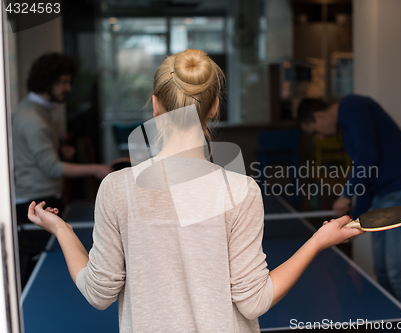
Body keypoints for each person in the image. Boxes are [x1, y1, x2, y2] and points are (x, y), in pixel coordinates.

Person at [27, 49, 364, 333]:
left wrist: (61, 229)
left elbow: (98, 293)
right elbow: (254, 302)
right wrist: (319, 240)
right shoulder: (241, 191)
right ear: (214, 106)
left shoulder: (116, 188)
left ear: (156, 106)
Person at [298, 95, 401, 332]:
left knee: (397, 273)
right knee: (383, 273)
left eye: (315, 130)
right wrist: (352, 221)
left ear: (319, 116)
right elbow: (368, 174)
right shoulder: (347, 127)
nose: (320, 136)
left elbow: (368, 157)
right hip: (383, 195)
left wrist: (346, 195)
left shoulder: (351, 106)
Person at [12, 53, 111, 286]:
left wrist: (59, 148)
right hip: (33, 204)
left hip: (43, 196)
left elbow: (39, 152)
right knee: (40, 277)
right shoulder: (33, 119)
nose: (68, 87)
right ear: (49, 81)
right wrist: (96, 169)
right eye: (64, 82)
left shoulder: (38, 110)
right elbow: (51, 167)